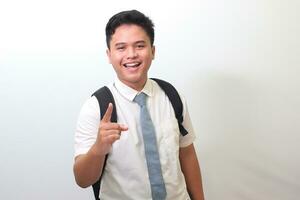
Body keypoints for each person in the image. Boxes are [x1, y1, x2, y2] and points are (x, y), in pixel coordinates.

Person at [73, 10, 205, 200]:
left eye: (140, 46)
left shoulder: (172, 96)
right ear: (109, 55)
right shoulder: (95, 108)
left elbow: (187, 154)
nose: (131, 55)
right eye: (121, 48)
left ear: (153, 51)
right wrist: (98, 149)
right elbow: (82, 180)